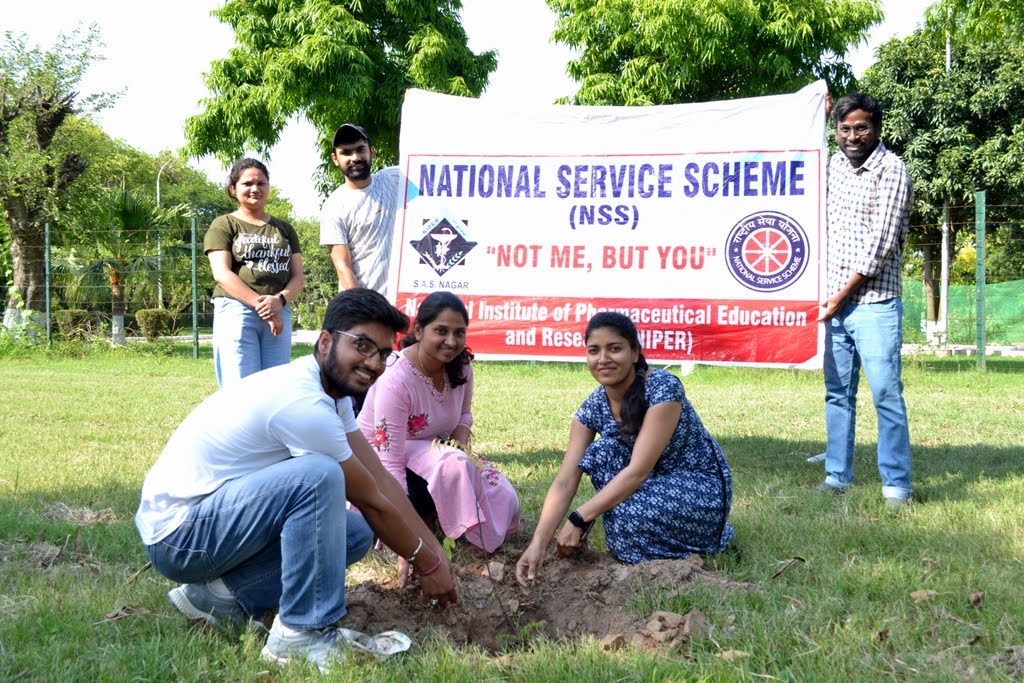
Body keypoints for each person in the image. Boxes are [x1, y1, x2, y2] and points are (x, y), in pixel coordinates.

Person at [135, 289, 459, 673]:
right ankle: (301, 635)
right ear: (326, 340)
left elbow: (379, 478)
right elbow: (372, 498)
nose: (373, 363)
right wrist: (426, 564)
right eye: (362, 346)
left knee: (352, 530)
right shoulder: (303, 403)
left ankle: (218, 599)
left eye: (383, 353)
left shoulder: (329, 393)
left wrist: (435, 555)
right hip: (179, 537)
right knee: (320, 476)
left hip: (208, 521)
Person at [516, 312, 734, 587]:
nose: (603, 359)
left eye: (614, 348)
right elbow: (564, 480)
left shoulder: (663, 389)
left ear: (634, 353)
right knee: (601, 453)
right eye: (594, 351)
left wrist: (579, 517)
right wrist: (538, 543)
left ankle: (704, 541)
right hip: (651, 486)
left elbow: (638, 471)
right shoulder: (592, 407)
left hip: (698, 486)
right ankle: (645, 537)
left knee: (625, 519)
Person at [358, 291, 520, 559]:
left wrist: (461, 436)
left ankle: (441, 515)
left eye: (459, 333)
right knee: (454, 464)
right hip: (379, 462)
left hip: (435, 451)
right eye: (441, 331)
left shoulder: (461, 366)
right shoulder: (396, 378)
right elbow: (390, 463)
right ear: (419, 331)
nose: (451, 341)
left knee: (502, 493)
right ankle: (422, 516)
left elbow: (465, 414)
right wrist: (403, 537)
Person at [816, 92, 914, 507]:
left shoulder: (892, 170)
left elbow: (880, 246)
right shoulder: (834, 165)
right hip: (832, 304)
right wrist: (815, 112)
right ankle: (837, 474)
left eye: (862, 128)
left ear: (877, 129)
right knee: (838, 393)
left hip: (874, 303)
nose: (853, 136)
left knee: (885, 394)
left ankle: (896, 483)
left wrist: (839, 297)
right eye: (845, 128)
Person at [206, 158, 304, 388]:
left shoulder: (285, 229)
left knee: (275, 387)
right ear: (233, 188)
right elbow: (221, 273)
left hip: (279, 309)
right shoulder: (224, 224)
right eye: (247, 183)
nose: (255, 189)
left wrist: (279, 301)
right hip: (237, 309)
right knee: (240, 386)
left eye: (261, 183)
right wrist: (264, 307)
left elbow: (297, 276)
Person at [320, 123, 402, 298]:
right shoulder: (333, 206)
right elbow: (343, 267)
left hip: (404, 302)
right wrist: (365, 308)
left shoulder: (395, 179)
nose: (355, 157)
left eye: (360, 149)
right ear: (335, 159)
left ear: (371, 152)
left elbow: (432, 167)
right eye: (346, 152)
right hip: (364, 307)